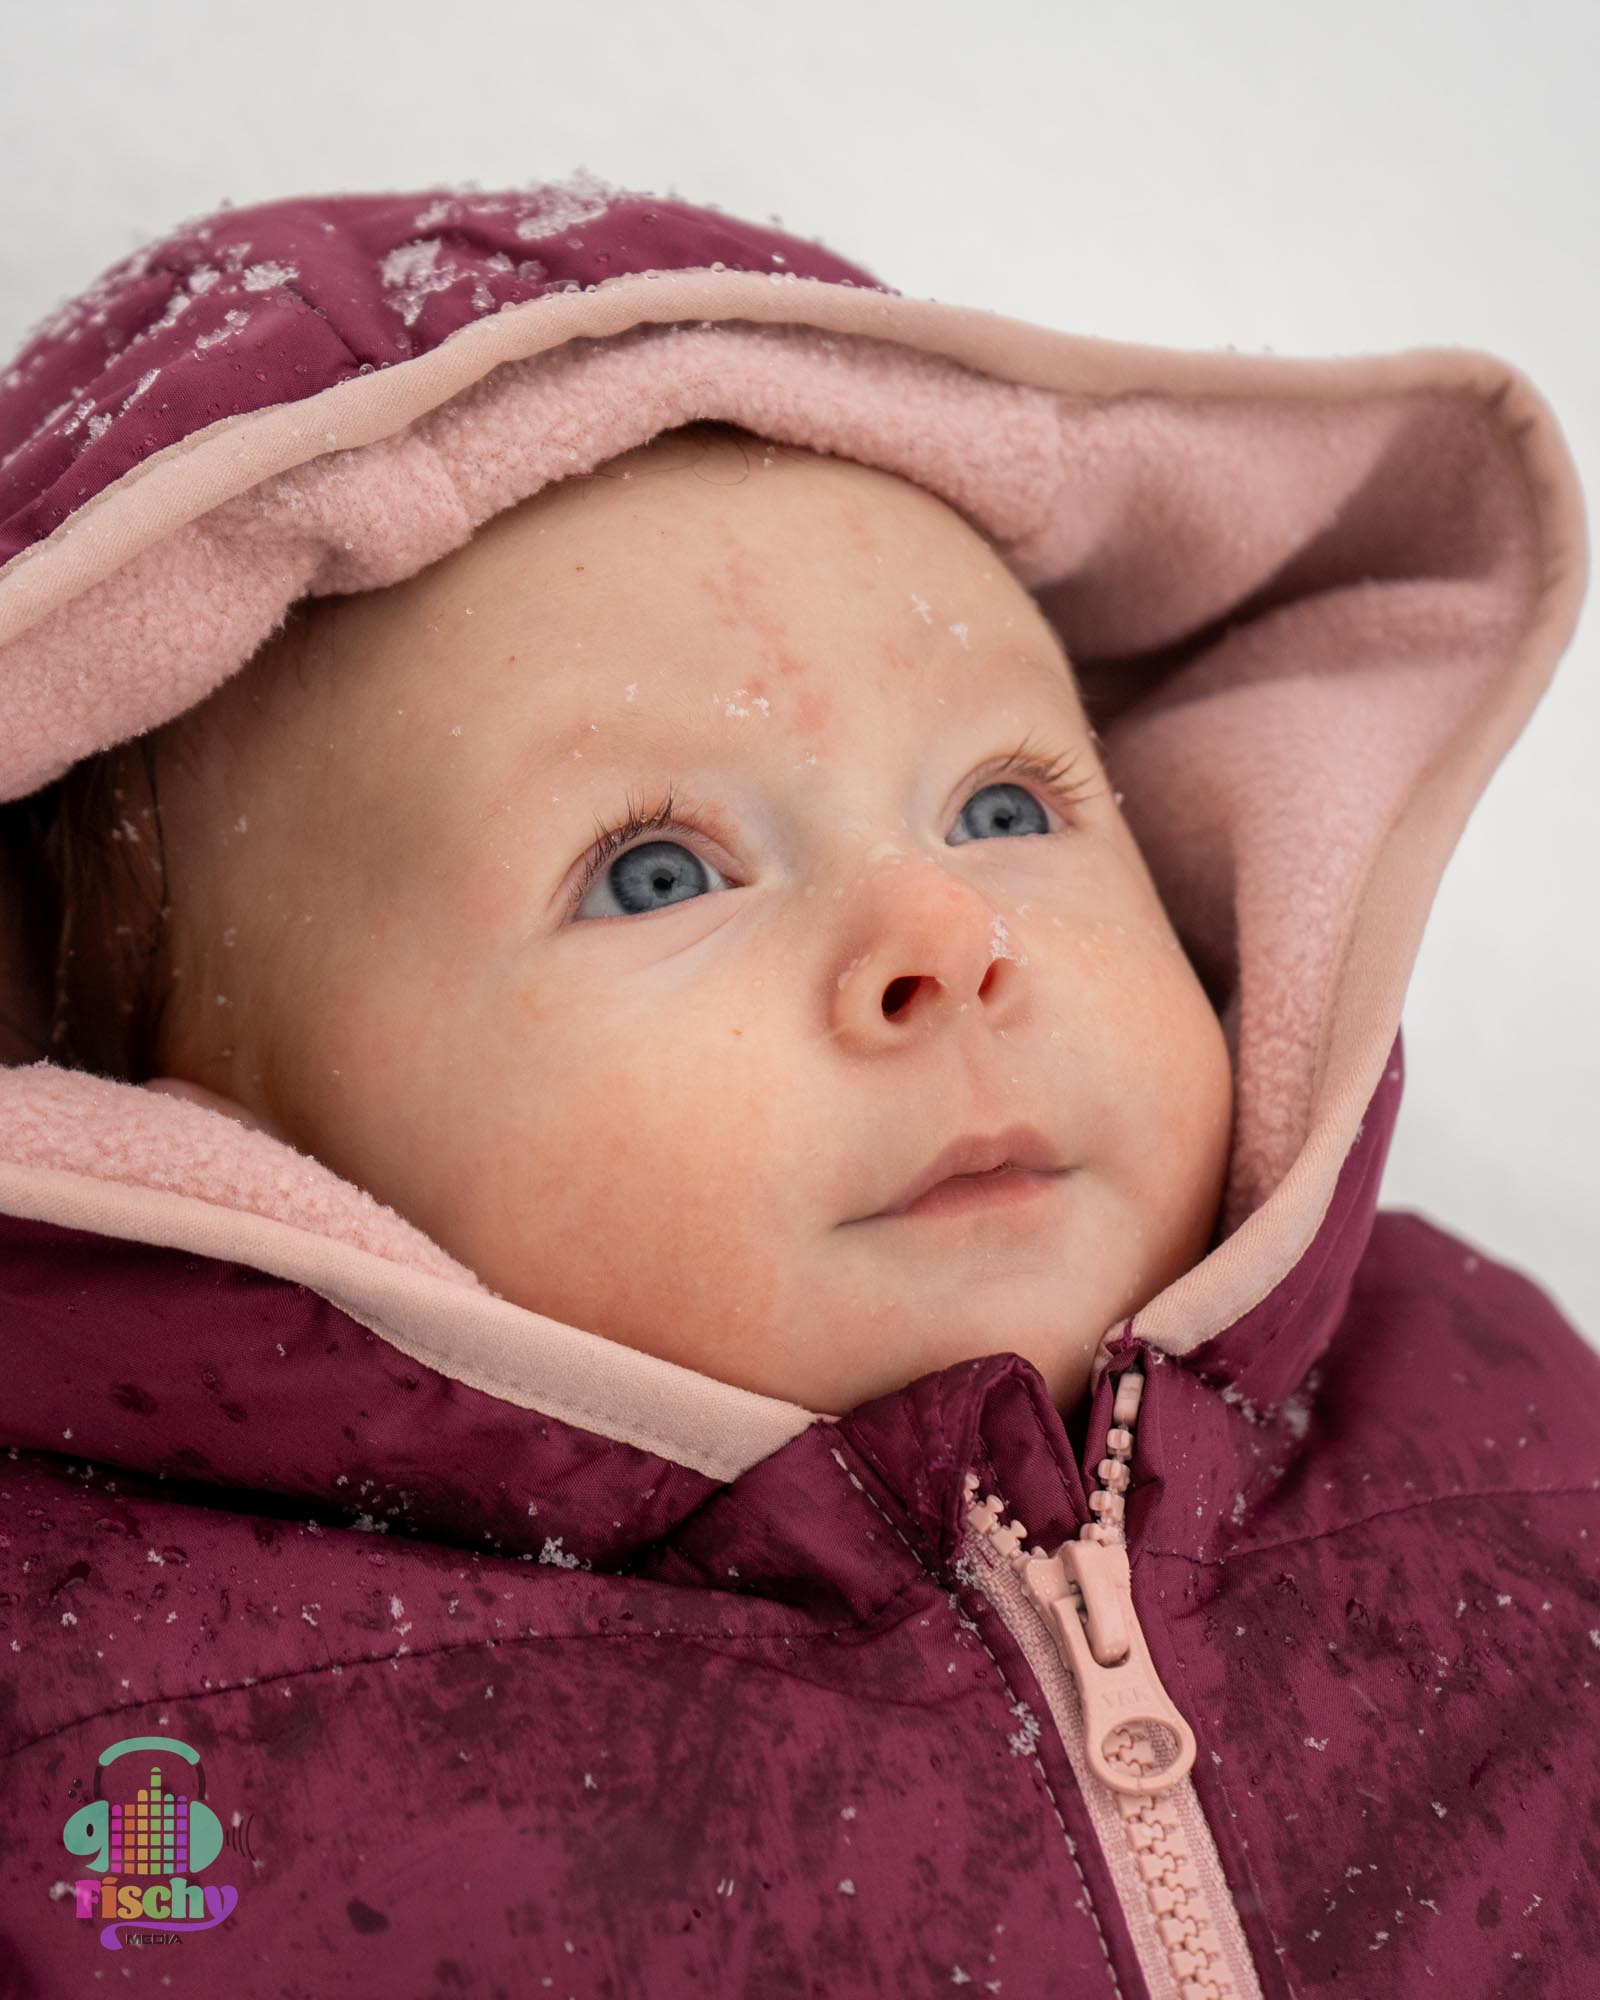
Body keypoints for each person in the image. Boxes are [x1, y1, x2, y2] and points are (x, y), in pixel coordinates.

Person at [0, 173, 1594, 1998]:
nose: (948, 928)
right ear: (215, 1152)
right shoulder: (102, 1738)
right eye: (659, 871)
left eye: (1004, 807)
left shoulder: (1504, 1440)